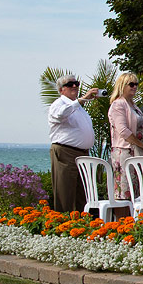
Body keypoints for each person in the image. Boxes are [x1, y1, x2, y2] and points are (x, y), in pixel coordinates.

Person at [48, 74, 100, 212]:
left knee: (81, 192)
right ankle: (63, 224)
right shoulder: (59, 104)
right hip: (66, 152)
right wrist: (81, 100)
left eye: (76, 83)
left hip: (82, 153)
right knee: (65, 191)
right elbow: (60, 115)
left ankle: (80, 225)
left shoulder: (78, 107)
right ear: (61, 90)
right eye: (69, 84)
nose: (75, 86)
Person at [107, 72, 143, 199]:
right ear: (122, 85)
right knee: (124, 191)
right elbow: (123, 130)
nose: (134, 87)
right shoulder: (118, 104)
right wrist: (141, 144)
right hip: (124, 151)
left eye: (136, 84)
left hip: (136, 151)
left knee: (136, 191)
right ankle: (122, 218)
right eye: (131, 84)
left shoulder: (134, 106)